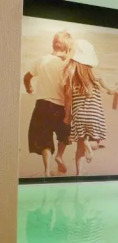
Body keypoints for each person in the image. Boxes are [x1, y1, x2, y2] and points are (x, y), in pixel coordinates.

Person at [24, 31, 74, 177]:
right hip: (60, 106)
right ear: (68, 46)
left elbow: (27, 77)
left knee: (44, 138)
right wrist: (68, 114)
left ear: (53, 44)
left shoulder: (42, 60)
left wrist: (29, 87)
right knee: (64, 134)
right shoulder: (68, 64)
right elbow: (68, 92)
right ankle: (59, 156)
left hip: (42, 105)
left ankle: (47, 169)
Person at [63, 39, 115, 176]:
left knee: (79, 146)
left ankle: (79, 173)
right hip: (94, 115)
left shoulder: (70, 76)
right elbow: (109, 90)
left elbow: (68, 98)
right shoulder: (95, 75)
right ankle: (89, 145)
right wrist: (112, 89)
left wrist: (67, 116)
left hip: (79, 116)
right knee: (96, 143)